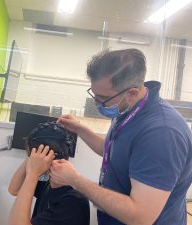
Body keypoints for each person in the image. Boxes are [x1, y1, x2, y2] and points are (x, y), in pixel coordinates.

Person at [50, 48, 192, 225]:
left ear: (131, 92)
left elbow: (140, 216)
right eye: (94, 94)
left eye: (102, 98)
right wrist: (80, 129)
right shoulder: (126, 108)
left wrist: (74, 180)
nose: (96, 103)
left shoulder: (162, 134)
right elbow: (113, 151)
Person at [8, 122, 90, 225]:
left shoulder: (72, 202)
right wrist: (31, 156)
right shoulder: (51, 184)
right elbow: (14, 189)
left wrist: (32, 174)